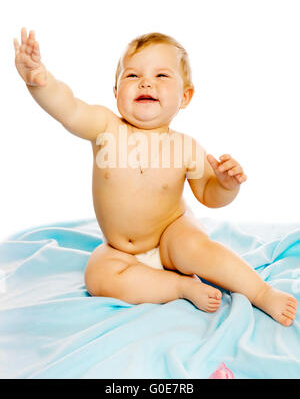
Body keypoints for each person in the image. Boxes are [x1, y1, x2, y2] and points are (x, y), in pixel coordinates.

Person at [13, 27, 297, 326]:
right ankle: (179, 287)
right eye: (132, 76)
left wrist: (226, 185)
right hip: (120, 249)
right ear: (115, 92)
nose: (146, 81)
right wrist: (38, 79)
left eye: (162, 76)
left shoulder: (186, 146)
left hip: (171, 234)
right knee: (97, 276)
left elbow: (209, 195)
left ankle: (261, 293)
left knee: (196, 249)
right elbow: (67, 108)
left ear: (185, 96)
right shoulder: (105, 128)